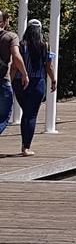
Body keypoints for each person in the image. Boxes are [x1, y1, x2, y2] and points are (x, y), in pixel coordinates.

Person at [11, 18, 55, 156]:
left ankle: (24, 145)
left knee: (26, 113)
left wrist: (9, 81)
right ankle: (26, 147)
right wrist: (53, 79)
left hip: (20, 82)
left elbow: (14, 65)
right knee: (31, 114)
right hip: (37, 82)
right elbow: (49, 65)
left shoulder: (21, 45)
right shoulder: (44, 45)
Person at [0, 9, 29, 140]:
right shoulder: (10, 36)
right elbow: (16, 56)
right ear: (5, 21)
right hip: (2, 80)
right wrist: (24, 73)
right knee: (3, 115)